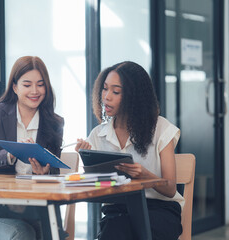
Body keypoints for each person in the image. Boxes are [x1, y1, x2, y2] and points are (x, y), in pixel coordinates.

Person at [75, 61, 183, 240]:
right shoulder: (98, 135)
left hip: (159, 211)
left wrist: (146, 176)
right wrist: (87, 161)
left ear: (135, 97)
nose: (107, 97)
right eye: (105, 89)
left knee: (120, 231)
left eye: (116, 92)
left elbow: (171, 189)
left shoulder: (161, 128)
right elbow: (96, 186)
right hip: (117, 211)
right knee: (117, 227)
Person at [0, 56, 64, 240]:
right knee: (23, 234)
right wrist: (10, 154)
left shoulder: (54, 122)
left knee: (50, 234)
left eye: (40, 84)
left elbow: (55, 174)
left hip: (34, 210)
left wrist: (42, 174)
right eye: (27, 85)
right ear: (15, 87)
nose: (35, 91)